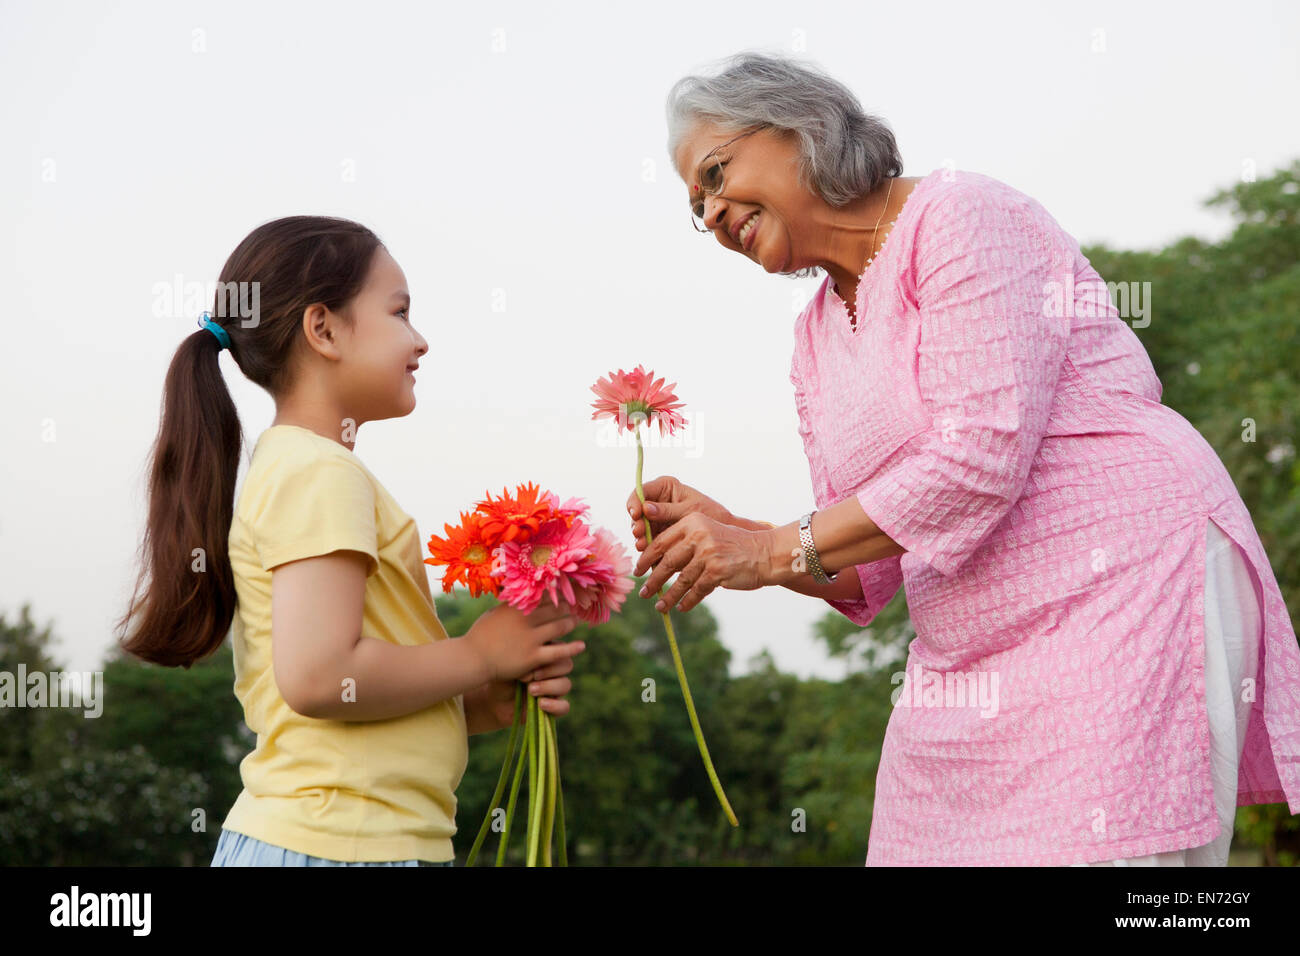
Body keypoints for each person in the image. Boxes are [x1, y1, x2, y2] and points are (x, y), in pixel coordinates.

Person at [628, 50, 1300, 865]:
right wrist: (739, 534)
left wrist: (771, 548)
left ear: (797, 129)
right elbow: (866, 576)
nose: (709, 209)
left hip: (1121, 584)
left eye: (714, 171)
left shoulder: (958, 215)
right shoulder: (811, 341)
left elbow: (979, 455)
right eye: (694, 203)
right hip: (966, 662)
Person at [116, 216, 585, 866]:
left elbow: (353, 694)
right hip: (335, 847)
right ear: (324, 329)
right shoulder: (320, 472)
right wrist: (475, 656)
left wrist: (482, 698)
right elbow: (320, 676)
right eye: (399, 312)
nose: (420, 340)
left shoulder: (310, 468)